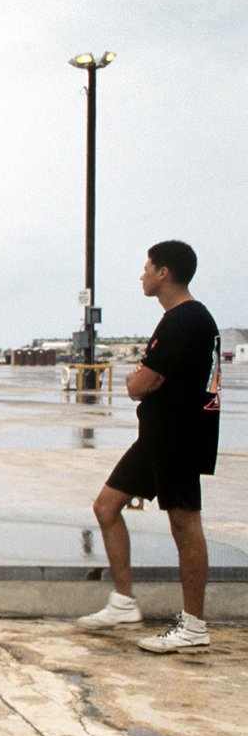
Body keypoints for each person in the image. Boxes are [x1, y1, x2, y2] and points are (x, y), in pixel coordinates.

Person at [78, 241, 221, 652]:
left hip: (178, 436)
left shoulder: (186, 320)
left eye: (147, 268)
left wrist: (137, 378)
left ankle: (193, 626)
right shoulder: (180, 318)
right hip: (155, 437)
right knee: (106, 506)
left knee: (185, 524)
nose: (142, 275)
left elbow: (140, 384)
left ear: (164, 273)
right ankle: (124, 601)